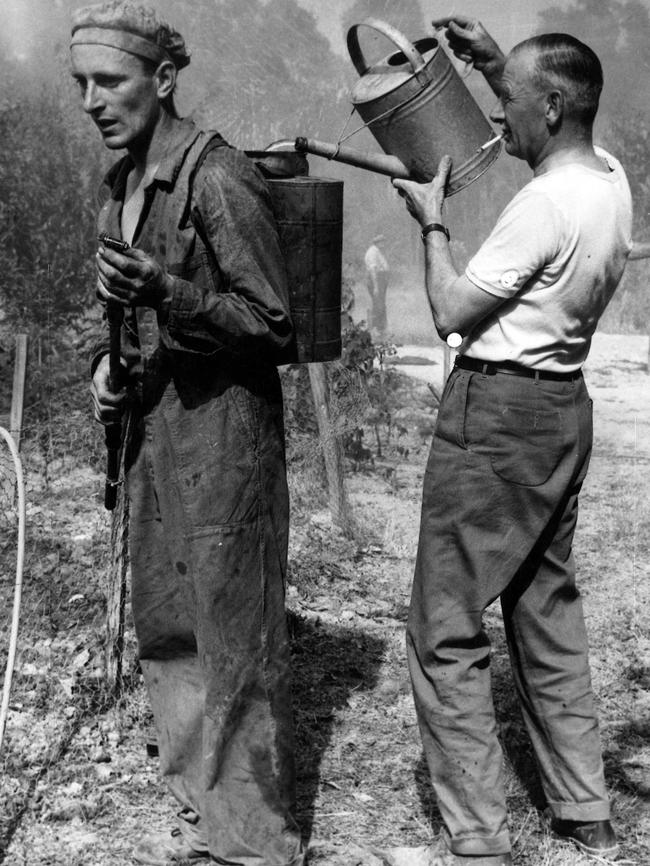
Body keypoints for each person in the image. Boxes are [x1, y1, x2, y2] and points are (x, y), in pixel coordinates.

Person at [388, 15, 632, 866]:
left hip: (495, 420)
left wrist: (430, 222)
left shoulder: (543, 204)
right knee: (545, 609)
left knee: (445, 627)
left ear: (556, 106)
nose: (500, 122)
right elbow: (536, 115)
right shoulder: (610, 179)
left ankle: (481, 839)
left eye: (514, 105)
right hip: (563, 411)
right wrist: (500, 64)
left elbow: (452, 313)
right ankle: (585, 811)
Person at [70, 3, 303, 865]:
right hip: (154, 437)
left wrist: (169, 292)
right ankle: (200, 806)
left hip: (225, 441)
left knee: (235, 635)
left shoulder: (215, 175)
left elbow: (272, 323)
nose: (94, 101)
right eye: (82, 85)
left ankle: (253, 843)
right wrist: (106, 366)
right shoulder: (119, 184)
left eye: (111, 82)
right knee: (169, 625)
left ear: (163, 81)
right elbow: (121, 317)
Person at [364, 233, 390, 335]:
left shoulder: (377, 251)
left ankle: (381, 328)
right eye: (382, 242)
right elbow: (373, 270)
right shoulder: (372, 253)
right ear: (378, 242)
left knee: (380, 304)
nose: (384, 244)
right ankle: (376, 328)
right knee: (378, 304)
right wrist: (376, 286)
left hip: (381, 280)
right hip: (376, 280)